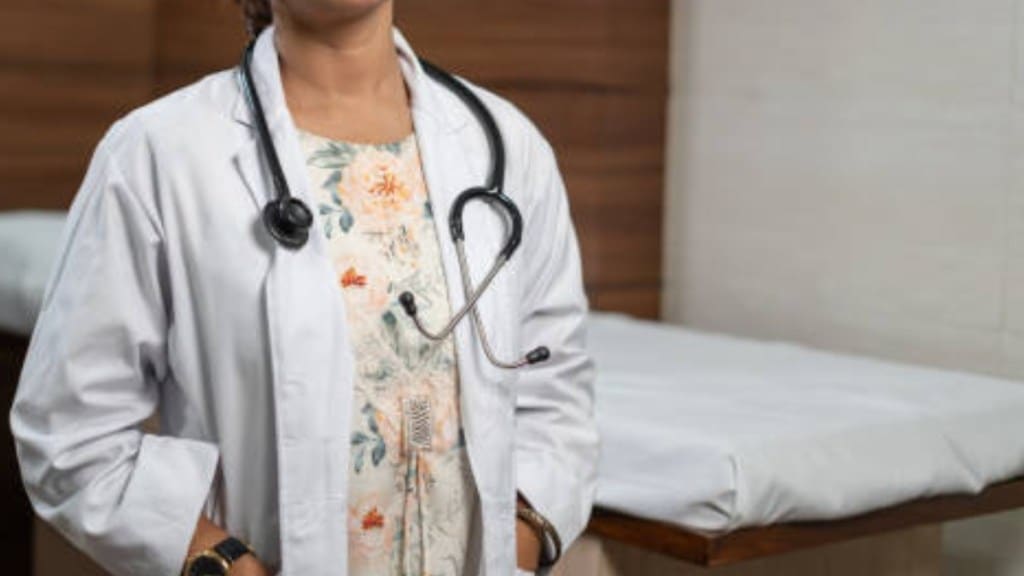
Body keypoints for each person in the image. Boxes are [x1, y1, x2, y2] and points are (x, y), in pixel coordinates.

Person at [9, 0, 598, 575]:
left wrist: (521, 538)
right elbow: (71, 435)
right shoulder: (156, 154)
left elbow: (557, 395)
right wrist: (221, 563)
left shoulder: (506, 146)